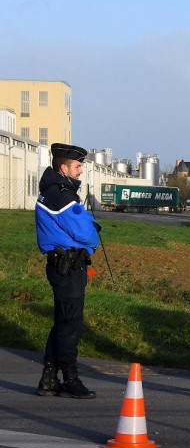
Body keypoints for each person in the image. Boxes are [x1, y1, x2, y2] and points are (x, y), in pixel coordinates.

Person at [34, 143, 100, 399]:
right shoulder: (62, 194)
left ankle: (49, 379)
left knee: (63, 322)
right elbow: (87, 233)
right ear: (64, 168)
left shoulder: (54, 191)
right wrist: (92, 230)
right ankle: (70, 379)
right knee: (71, 324)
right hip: (68, 268)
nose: (81, 170)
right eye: (77, 166)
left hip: (63, 265)